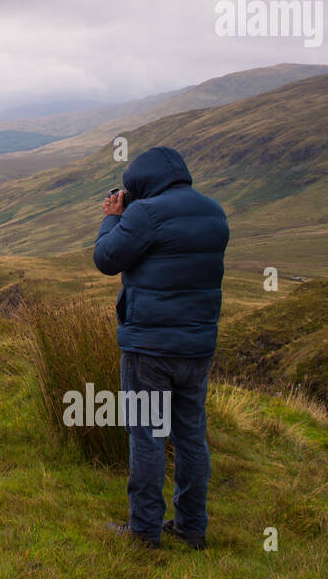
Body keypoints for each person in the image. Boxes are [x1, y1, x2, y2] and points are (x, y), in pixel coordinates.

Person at [94, 146, 229, 549]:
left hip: (150, 348)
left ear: (140, 184)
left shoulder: (144, 214)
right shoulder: (214, 212)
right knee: (190, 437)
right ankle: (191, 528)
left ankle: (144, 531)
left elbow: (106, 259)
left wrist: (112, 218)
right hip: (197, 348)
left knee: (148, 436)